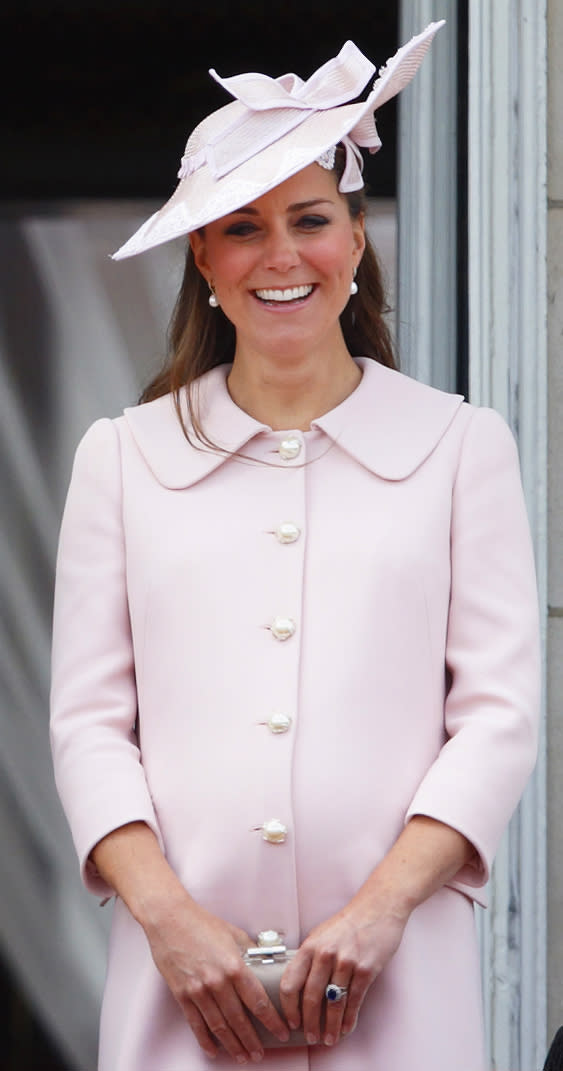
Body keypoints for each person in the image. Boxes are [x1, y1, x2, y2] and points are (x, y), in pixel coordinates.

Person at [50, 22, 540, 1071]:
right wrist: (171, 927)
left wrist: (378, 914)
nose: (280, 255)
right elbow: (89, 728)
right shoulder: (121, 459)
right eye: (241, 227)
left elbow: (496, 718)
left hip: (399, 978)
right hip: (180, 990)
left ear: (355, 244)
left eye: (310, 220)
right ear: (203, 258)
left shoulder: (460, 447)